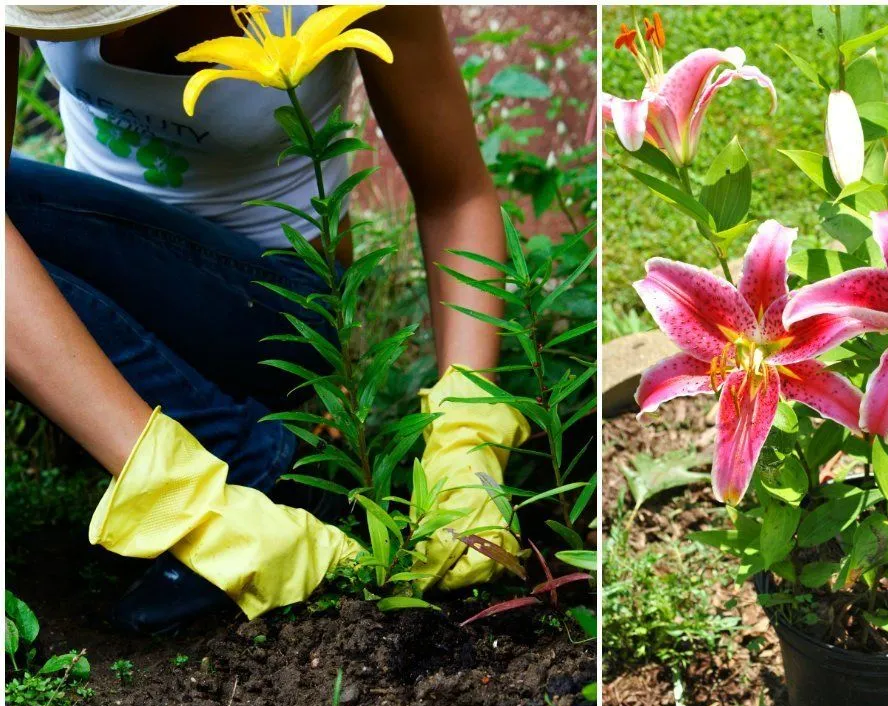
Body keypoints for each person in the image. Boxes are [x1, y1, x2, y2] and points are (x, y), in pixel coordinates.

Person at [4, 5, 527, 632]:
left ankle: (258, 462)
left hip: (272, 314)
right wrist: (183, 504)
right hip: (102, 303)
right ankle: (234, 464)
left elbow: (457, 193)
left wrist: (467, 431)